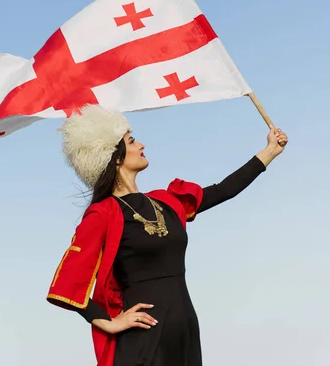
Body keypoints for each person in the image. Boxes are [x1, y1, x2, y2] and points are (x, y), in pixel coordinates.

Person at [46, 104, 288, 366]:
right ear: (115, 157)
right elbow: (67, 284)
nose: (141, 145)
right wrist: (110, 323)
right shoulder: (102, 214)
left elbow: (222, 191)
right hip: (143, 339)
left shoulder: (166, 201)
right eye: (132, 140)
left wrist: (270, 151)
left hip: (184, 330)